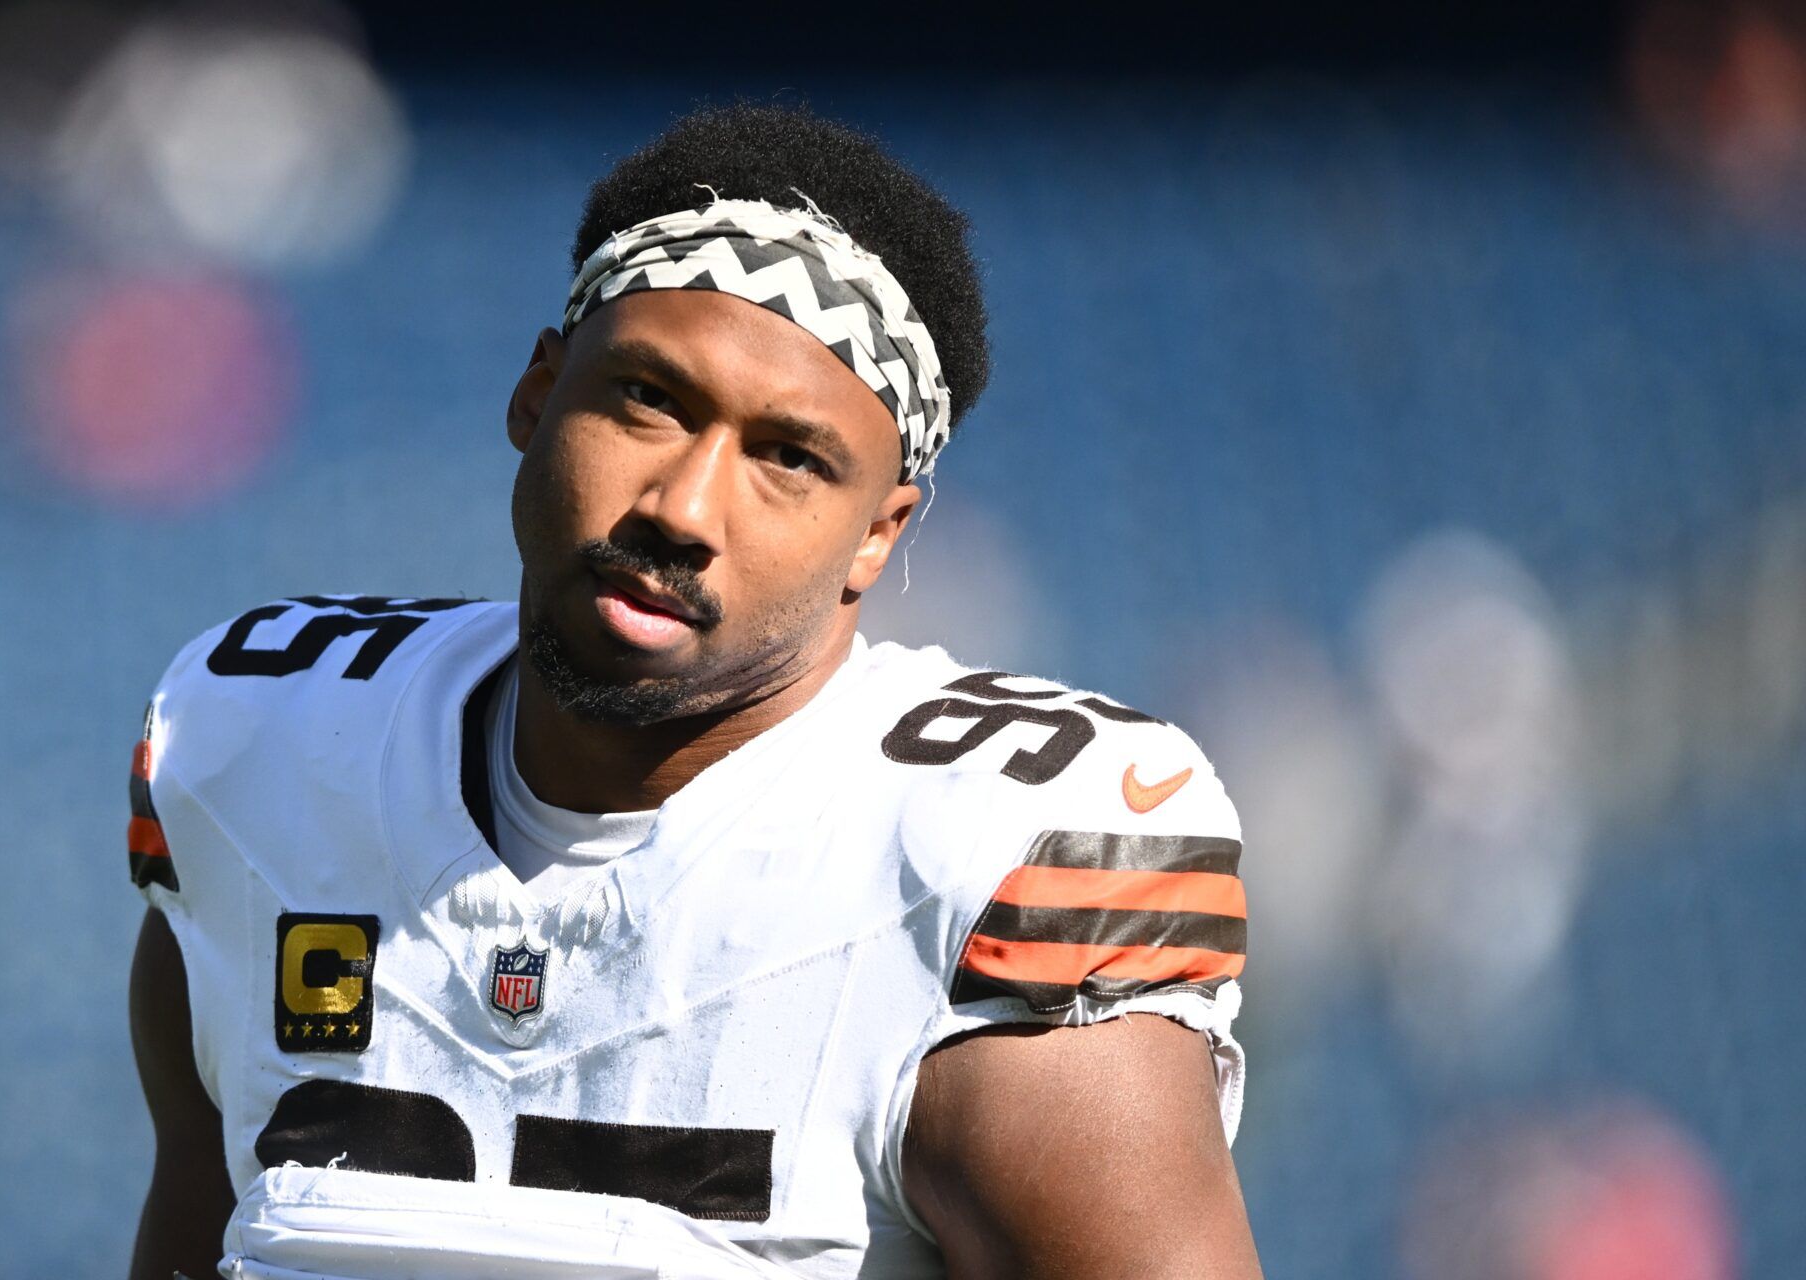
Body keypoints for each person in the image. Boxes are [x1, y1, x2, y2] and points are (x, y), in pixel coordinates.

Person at [127, 102, 1261, 1280]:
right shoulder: (260, 744)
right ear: (538, 395)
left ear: (879, 534)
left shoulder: (980, 859)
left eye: (789, 458)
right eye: (649, 399)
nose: (682, 506)